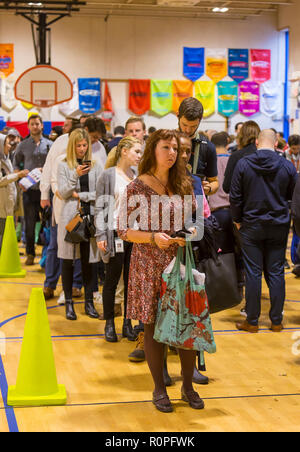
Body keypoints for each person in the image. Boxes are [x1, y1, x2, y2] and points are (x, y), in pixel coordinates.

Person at [118, 129, 206, 413]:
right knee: (154, 327)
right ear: (153, 150)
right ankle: (158, 388)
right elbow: (124, 230)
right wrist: (153, 237)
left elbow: (197, 221)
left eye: (177, 149)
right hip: (148, 265)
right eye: (167, 147)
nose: (173, 153)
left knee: (187, 325)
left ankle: (188, 386)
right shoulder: (136, 188)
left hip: (180, 261)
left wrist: (190, 232)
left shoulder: (184, 183)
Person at [230, 129, 298, 332]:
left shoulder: (244, 163)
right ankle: (276, 321)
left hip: (251, 224)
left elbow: (235, 195)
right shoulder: (287, 166)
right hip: (278, 225)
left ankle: (252, 321)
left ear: (258, 142)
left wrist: (237, 219)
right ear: (276, 143)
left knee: (253, 272)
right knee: (276, 271)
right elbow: (293, 195)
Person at [95, 136, 142, 342]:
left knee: (132, 282)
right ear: (124, 151)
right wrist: (100, 234)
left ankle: (127, 323)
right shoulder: (108, 175)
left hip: (136, 234)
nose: (139, 156)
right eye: (137, 152)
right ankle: (109, 323)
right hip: (115, 232)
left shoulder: (138, 176)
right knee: (112, 279)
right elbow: (100, 207)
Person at [57, 128, 102, 321]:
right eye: (79, 145)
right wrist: (75, 174)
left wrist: (81, 195)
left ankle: (89, 303)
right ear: (72, 146)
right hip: (70, 217)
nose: (82, 149)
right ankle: (68, 302)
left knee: (89, 262)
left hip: (90, 217)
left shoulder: (97, 165)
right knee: (67, 260)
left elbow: (100, 192)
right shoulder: (63, 164)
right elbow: (64, 192)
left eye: (85, 145)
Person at [13, 114, 53, 265]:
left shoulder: (50, 144)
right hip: (29, 190)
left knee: (48, 224)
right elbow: (15, 165)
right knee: (29, 224)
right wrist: (20, 174)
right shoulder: (22, 145)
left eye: (37, 123)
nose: (35, 126)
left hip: (47, 190)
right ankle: (30, 253)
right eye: (32, 124)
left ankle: (47, 255)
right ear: (28, 126)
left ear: (42, 125)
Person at [177, 97, 219, 196]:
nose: (187, 130)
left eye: (193, 126)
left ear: (200, 120)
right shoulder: (167, 142)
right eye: (184, 124)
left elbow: (215, 182)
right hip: (170, 201)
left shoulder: (207, 147)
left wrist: (208, 188)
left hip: (197, 202)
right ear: (177, 115)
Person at [0, 136, 29, 250]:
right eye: (6, 143)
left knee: (6, 236)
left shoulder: (6, 159)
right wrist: (18, 175)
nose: (9, 146)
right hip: (1, 206)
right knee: (2, 235)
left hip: (8, 205)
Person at [223, 120, 260, 194]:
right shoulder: (264, 155)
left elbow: (227, 187)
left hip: (242, 202)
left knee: (197, 204)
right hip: (264, 202)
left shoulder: (235, 156)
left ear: (241, 135)